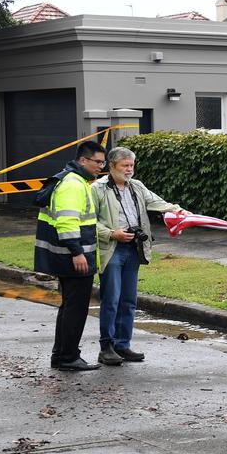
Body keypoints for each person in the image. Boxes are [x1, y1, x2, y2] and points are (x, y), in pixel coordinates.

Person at [91, 146, 186, 366]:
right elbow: (88, 221)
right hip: (112, 248)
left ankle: (123, 345)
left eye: (131, 165)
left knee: (129, 300)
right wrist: (111, 233)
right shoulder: (98, 189)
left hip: (134, 248)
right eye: (125, 166)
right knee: (111, 300)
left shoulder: (137, 186)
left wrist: (179, 211)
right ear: (112, 166)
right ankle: (107, 347)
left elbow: (158, 203)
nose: (129, 170)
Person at [36, 140, 107, 371]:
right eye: (97, 162)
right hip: (74, 257)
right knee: (75, 308)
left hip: (67, 255)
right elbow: (67, 222)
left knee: (69, 306)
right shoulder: (73, 184)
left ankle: (62, 355)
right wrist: (77, 253)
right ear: (83, 160)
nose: (101, 166)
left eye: (103, 162)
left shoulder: (72, 180)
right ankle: (68, 357)